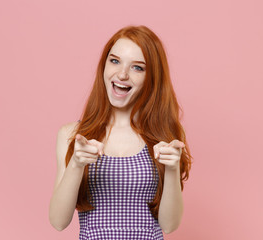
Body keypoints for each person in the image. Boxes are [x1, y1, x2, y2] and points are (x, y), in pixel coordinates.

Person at [49, 25, 193, 240]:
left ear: (152, 77)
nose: (122, 74)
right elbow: (58, 222)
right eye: (114, 61)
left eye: (138, 68)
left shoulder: (167, 134)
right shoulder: (74, 134)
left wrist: (172, 170)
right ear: (104, 66)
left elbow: (170, 226)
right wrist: (76, 164)